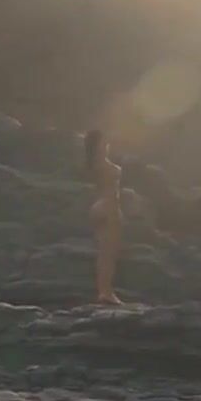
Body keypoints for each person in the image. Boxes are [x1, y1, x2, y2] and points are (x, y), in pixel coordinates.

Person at [83, 129, 123, 304]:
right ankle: (106, 292)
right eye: (104, 141)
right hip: (108, 206)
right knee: (109, 253)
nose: (107, 143)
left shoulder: (92, 163)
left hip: (98, 205)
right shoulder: (103, 163)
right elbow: (111, 190)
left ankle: (103, 290)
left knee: (103, 253)